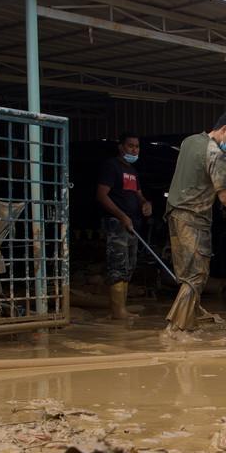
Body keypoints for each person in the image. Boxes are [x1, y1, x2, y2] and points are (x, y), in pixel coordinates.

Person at [163, 111, 226, 331]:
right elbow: (224, 196)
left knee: (188, 274)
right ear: (223, 129)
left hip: (174, 213)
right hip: (193, 217)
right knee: (196, 275)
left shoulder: (189, 141)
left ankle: (191, 317)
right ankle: (176, 330)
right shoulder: (215, 153)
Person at [95, 132, 152, 320]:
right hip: (117, 223)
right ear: (121, 147)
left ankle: (122, 309)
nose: (134, 149)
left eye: (137, 146)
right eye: (130, 146)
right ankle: (118, 312)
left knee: (129, 266)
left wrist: (145, 203)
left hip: (133, 225)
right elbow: (102, 195)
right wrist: (121, 216)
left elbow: (138, 194)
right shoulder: (112, 166)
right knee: (118, 266)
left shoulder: (133, 171)